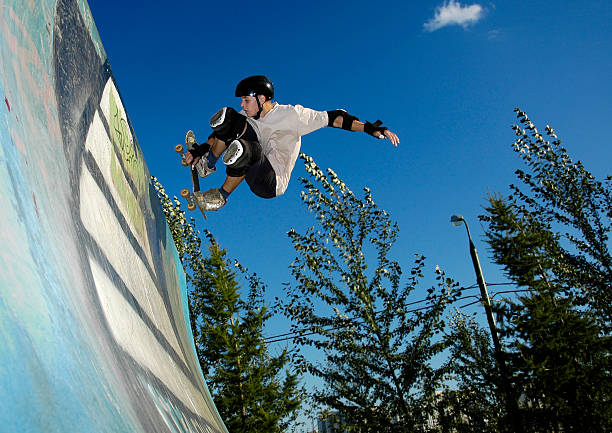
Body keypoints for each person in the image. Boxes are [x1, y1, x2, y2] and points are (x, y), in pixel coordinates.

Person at [185, 75, 400, 211]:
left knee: (245, 150)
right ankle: (208, 164)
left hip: (271, 181)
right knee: (228, 118)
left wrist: (370, 128)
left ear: (262, 99)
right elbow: (224, 132)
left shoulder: (293, 115)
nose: (243, 104)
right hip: (253, 161)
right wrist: (202, 149)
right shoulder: (247, 114)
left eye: (246, 100)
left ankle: (221, 196)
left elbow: (334, 117)